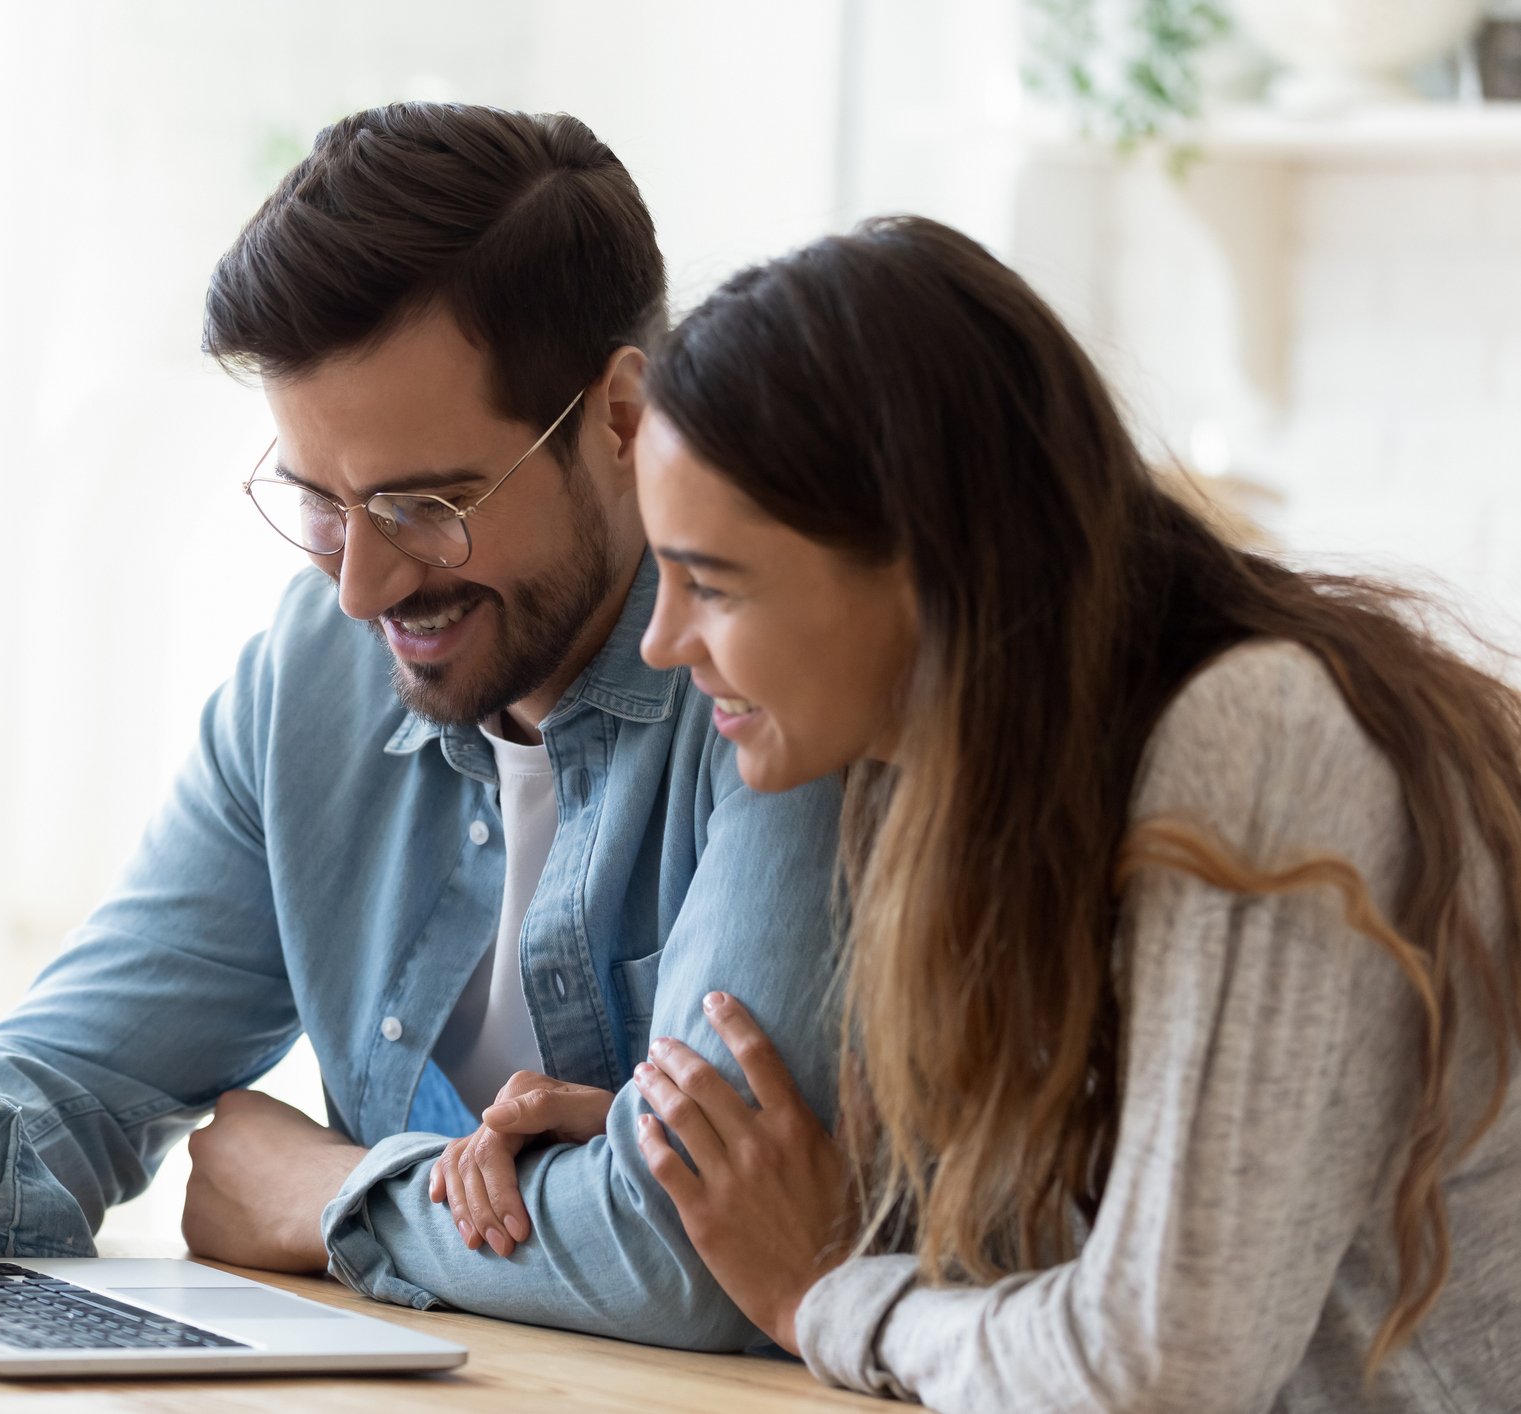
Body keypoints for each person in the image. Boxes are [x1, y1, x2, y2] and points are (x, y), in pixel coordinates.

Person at [0, 102, 848, 1350]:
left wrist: (327, 1197)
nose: (362, 585)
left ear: (620, 420)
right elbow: (82, 1074)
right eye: (317, 501)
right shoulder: (316, 671)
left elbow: (704, 1251)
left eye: (426, 502)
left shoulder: (785, 686)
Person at [604, 215, 1520, 1409]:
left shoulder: (1259, 735)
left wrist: (826, 1294)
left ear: (923, 564)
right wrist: (633, 1147)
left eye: (711, 583)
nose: (665, 642)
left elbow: (1163, 1366)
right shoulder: (964, 783)